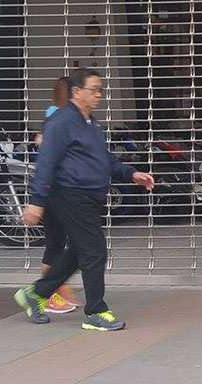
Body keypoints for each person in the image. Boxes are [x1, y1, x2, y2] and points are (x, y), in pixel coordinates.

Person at [14, 68, 154, 331]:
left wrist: (131, 173)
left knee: (81, 251)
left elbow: (104, 158)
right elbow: (46, 162)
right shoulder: (61, 122)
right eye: (94, 89)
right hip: (69, 193)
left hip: (88, 196)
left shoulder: (90, 122)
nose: (99, 95)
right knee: (94, 250)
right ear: (77, 92)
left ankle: (36, 293)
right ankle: (95, 312)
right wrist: (36, 201)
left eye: (101, 89)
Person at [34, 75, 80, 315]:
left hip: (58, 191)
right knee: (55, 244)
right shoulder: (57, 119)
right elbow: (46, 151)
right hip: (55, 191)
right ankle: (47, 294)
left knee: (59, 243)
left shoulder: (59, 118)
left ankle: (54, 290)